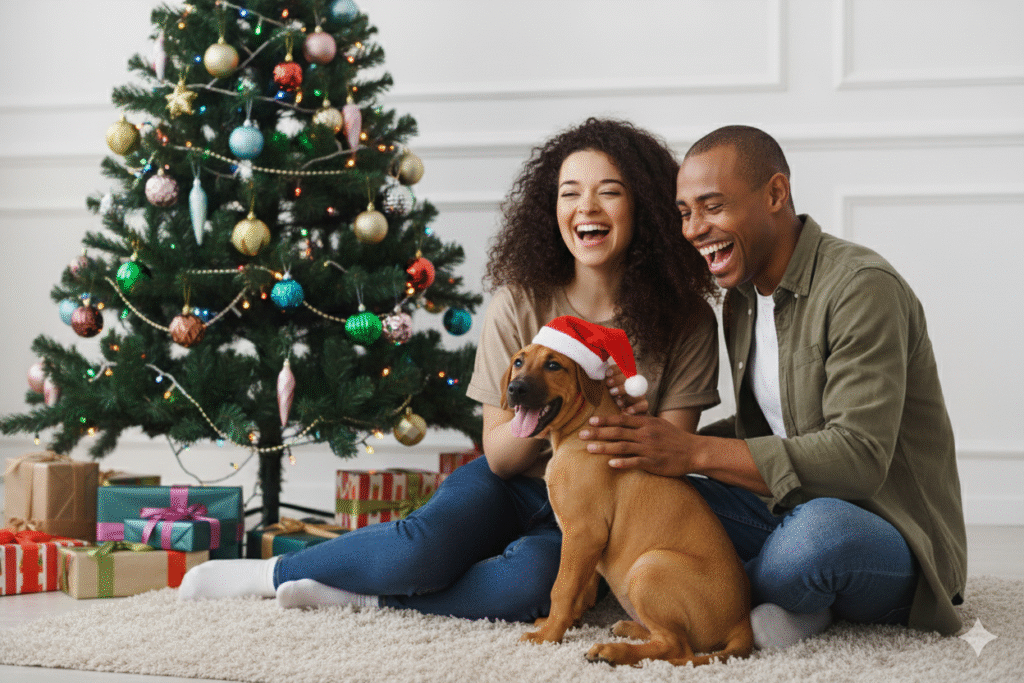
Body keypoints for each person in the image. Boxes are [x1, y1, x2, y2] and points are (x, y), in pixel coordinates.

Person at [178, 118, 722, 622]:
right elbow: (504, 458)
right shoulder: (520, 304)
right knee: (421, 548)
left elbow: (670, 458)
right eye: (569, 193)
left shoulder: (687, 319)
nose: (587, 208)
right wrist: (563, 399)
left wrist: (629, 419)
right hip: (511, 484)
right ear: (549, 208)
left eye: (609, 191)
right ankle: (267, 572)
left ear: (645, 208)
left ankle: (363, 594)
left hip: (603, 505)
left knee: (528, 585)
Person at [580, 125, 967, 648]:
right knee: (653, 495)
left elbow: (858, 458)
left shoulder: (861, 289)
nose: (694, 229)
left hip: (880, 529)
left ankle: (729, 602)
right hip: (784, 506)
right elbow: (766, 427)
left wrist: (692, 449)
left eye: (712, 207)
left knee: (813, 541)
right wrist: (653, 440)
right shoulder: (742, 297)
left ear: (775, 194)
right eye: (684, 212)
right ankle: (774, 603)